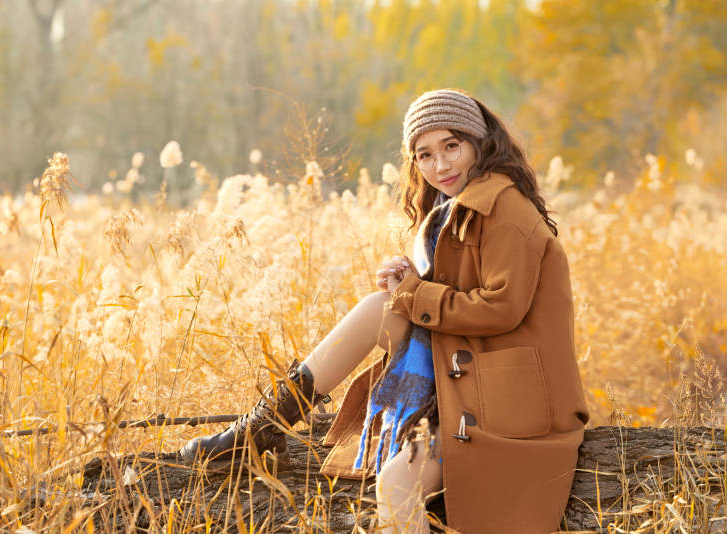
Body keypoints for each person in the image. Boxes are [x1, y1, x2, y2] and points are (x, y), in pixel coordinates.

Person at [176, 88, 590, 534]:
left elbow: (500, 309)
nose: (441, 165)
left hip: (509, 399)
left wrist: (415, 294)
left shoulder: (504, 208)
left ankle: (262, 429)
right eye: (424, 155)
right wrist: (413, 280)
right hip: (472, 365)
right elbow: (464, 289)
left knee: (395, 485)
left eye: (452, 146)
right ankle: (263, 427)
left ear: (480, 142)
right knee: (379, 306)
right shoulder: (455, 207)